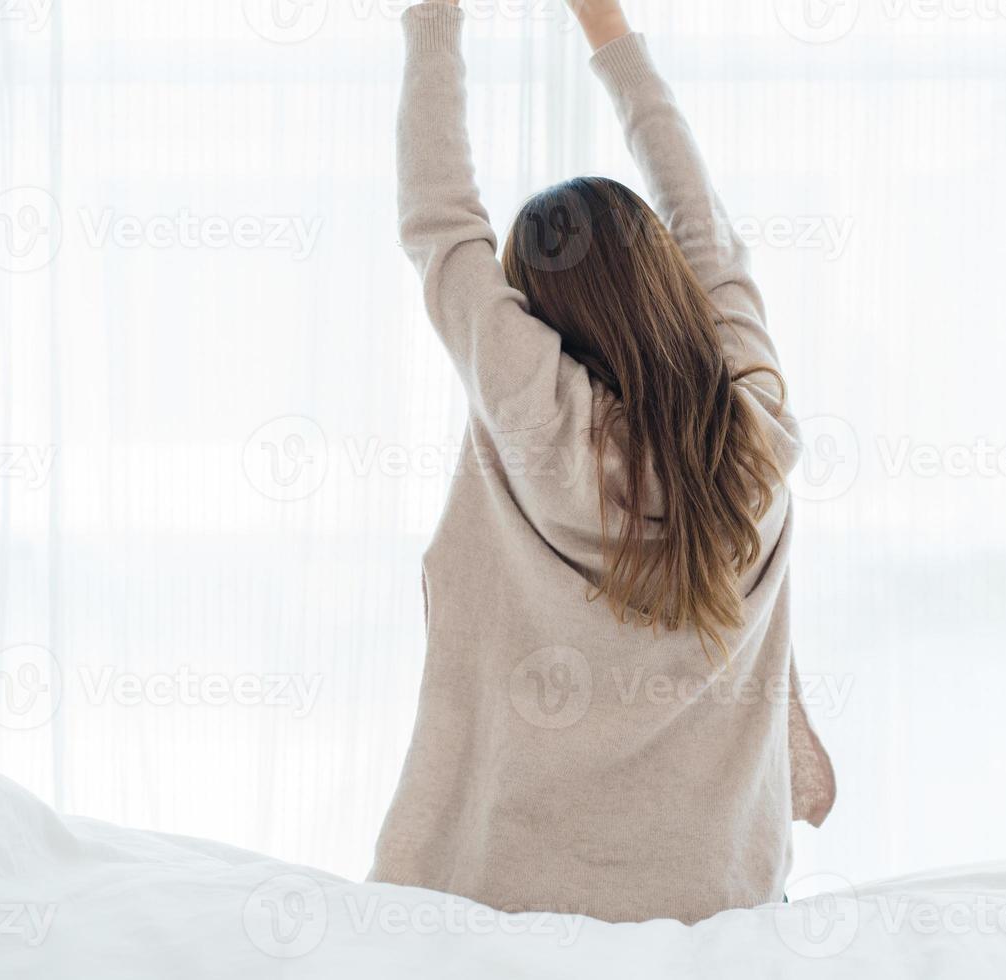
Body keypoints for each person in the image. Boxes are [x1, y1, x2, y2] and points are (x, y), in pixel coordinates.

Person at [370, 0, 835, 925]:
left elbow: (441, 222)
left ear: (538, 318)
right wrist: (608, 31)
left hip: (506, 899)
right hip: (726, 903)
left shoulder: (531, 412)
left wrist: (433, 19)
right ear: (667, 280)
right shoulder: (756, 419)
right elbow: (702, 225)